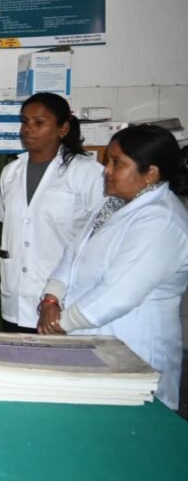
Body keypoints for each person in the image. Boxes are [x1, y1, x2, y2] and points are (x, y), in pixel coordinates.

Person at [37, 125, 188, 409]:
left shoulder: (161, 221)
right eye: (108, 161)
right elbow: (73, 254)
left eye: (117, 163)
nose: (106, 170)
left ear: (150, 173)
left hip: (132, 347)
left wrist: (61, 324)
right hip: (86, 339)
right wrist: (50, 299)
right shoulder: (114, 204)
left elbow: (119, 293)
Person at [0, 93, 104, 333]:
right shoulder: (11, 172)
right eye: (24, 121)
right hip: (15, 298)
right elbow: (12, 227)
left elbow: (103, 234)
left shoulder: (86, 172)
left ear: (63, 128)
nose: (27, 129)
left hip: (62, 301)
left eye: (39, 122)